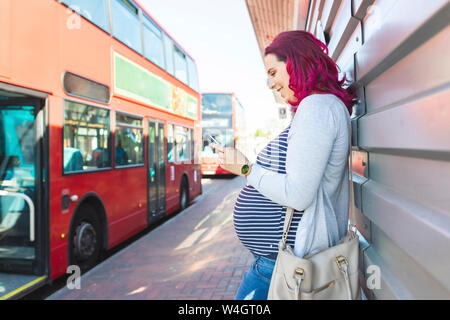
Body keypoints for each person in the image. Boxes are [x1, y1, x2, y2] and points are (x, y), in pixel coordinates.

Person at [210, 30, 357, 300]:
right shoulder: (319, 107)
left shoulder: (317, 108)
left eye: (273, 72)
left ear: (296, 62)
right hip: (279, 263)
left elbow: (298, 195)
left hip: (287, 266)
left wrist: (245, 169)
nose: (270, 83)